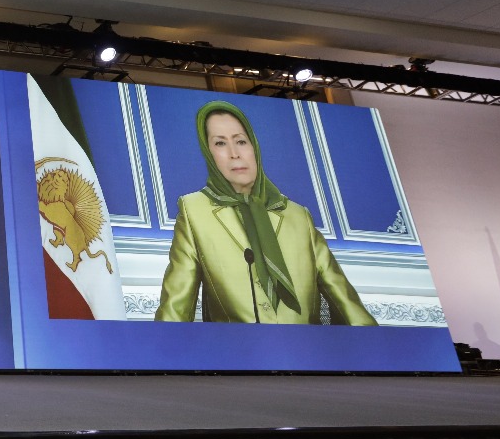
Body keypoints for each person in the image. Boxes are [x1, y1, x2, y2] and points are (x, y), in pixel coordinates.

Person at [154, 101, 377, 325]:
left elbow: (345, 301)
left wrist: (375, 344)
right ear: (208, 153)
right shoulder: (194, 210)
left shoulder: (297, 216)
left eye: (241, 141)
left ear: (254, 147)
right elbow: (176, 307)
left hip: (305, 345)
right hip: (236, 347)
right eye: (220, 143)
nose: (234, 154)